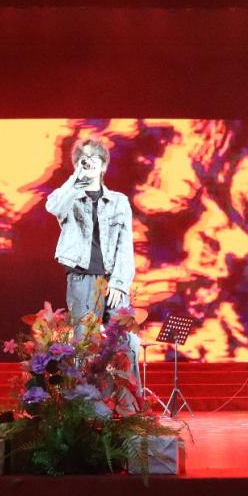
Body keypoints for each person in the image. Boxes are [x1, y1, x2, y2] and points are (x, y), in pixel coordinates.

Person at [45, 138, 139, 365]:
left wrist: (119, 283)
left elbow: (125, 245)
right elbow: (53, 206)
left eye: (95, 157)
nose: (91, 162)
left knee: (127, 343)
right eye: (85, 158)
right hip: (81, 278)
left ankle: (129, 390)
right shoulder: (70, 198)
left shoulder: (119, 202)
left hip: (112, 279)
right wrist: (77, 177)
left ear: (104, 165)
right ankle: (84, 389)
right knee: (84, 343)